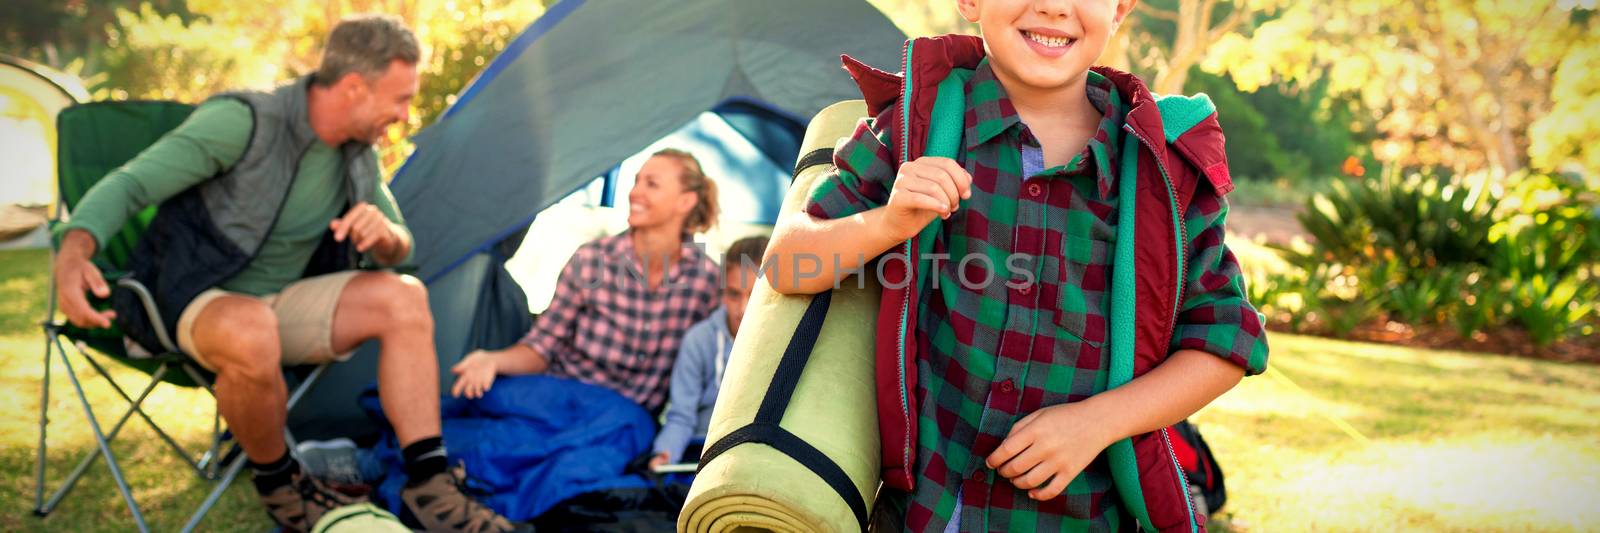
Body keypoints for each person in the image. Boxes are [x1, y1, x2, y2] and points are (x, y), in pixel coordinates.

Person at [761, 0, 1270, 529]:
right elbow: (786, 266)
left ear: (1120, 8)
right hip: (923, 512)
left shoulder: (1163, 167)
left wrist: (1096, 423)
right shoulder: (917, 127)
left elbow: (1227, 340)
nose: (1053, 7)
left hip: (1083, 516)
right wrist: (888, 223)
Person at [53, 15, 517, 533]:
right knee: (253, 326)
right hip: (196, 299)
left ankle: (430, 487)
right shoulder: (245, 122)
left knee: (403, 297)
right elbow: (131, 185)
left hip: (283, 305)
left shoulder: (356, 154)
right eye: (400, 99)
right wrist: (73, 252)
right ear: (353, 87)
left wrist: (384, 234)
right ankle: (282, 486)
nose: (405, 116)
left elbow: (401, 249)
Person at [450, 149, 721, 415]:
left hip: (624, 418)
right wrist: (492, 360)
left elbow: (711, 367)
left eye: (652, 184)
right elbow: (542, 347)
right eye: (636, 181)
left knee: (583, 454)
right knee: (471, 414)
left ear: (685, 202)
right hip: (561, 398)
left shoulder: (705, 280)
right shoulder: (591, 260)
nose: (635, 192)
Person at [648, 235, 769, 469]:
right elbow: (681, 415)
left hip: (755, 454)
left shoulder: (787, 342)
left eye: (754, 295)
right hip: (698, 451)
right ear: (722, 292)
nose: (742, 309)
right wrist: (665, 454)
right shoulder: (699, 340)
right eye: (734, 294)